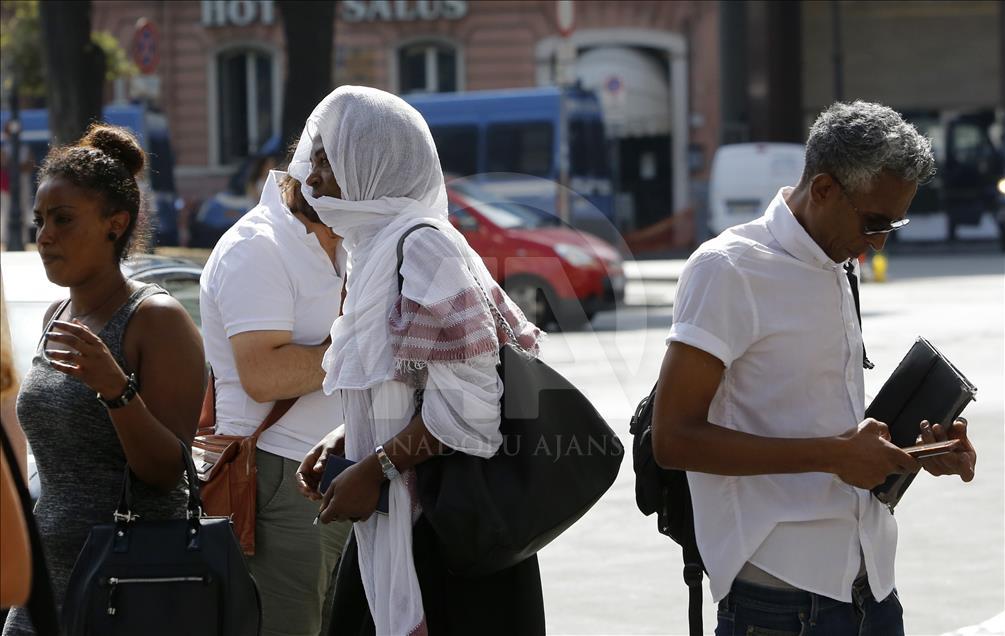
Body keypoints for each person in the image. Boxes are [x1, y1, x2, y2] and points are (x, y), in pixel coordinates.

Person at [651, 101, 978, 635]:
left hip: (871, 585)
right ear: (823, 189)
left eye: (894, 224)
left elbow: (820, 418)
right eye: (874, 222)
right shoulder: (728, 269)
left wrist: (915, 452)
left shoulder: (835, 263)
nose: (878, 242)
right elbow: (674, 438)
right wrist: (836, 457)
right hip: (781, 602)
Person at [288, 86, 545, 635]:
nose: (312, 180)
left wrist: (374, 466)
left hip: (447, 535)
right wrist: (344, 441)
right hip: (399, 519)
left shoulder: (423, 247)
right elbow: (408, 386)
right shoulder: (375, 249)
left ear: (373, 164)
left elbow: (472, 409)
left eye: (327, 162)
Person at [2, 124, 205, 635]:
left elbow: (166, 471)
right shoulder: (58, 314)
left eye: (63, 220)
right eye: (40, 221)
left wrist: (116, 388)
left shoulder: (156, 318)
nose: (44, 236)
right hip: (43, 585)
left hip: (129, 585)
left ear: (115, 224)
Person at [198, 148, 352, 636]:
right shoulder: (257, 247)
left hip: (340, 467)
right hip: (278, 474)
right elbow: (264, 374)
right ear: (315, 173)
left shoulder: (344, 239)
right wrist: (357, 347)